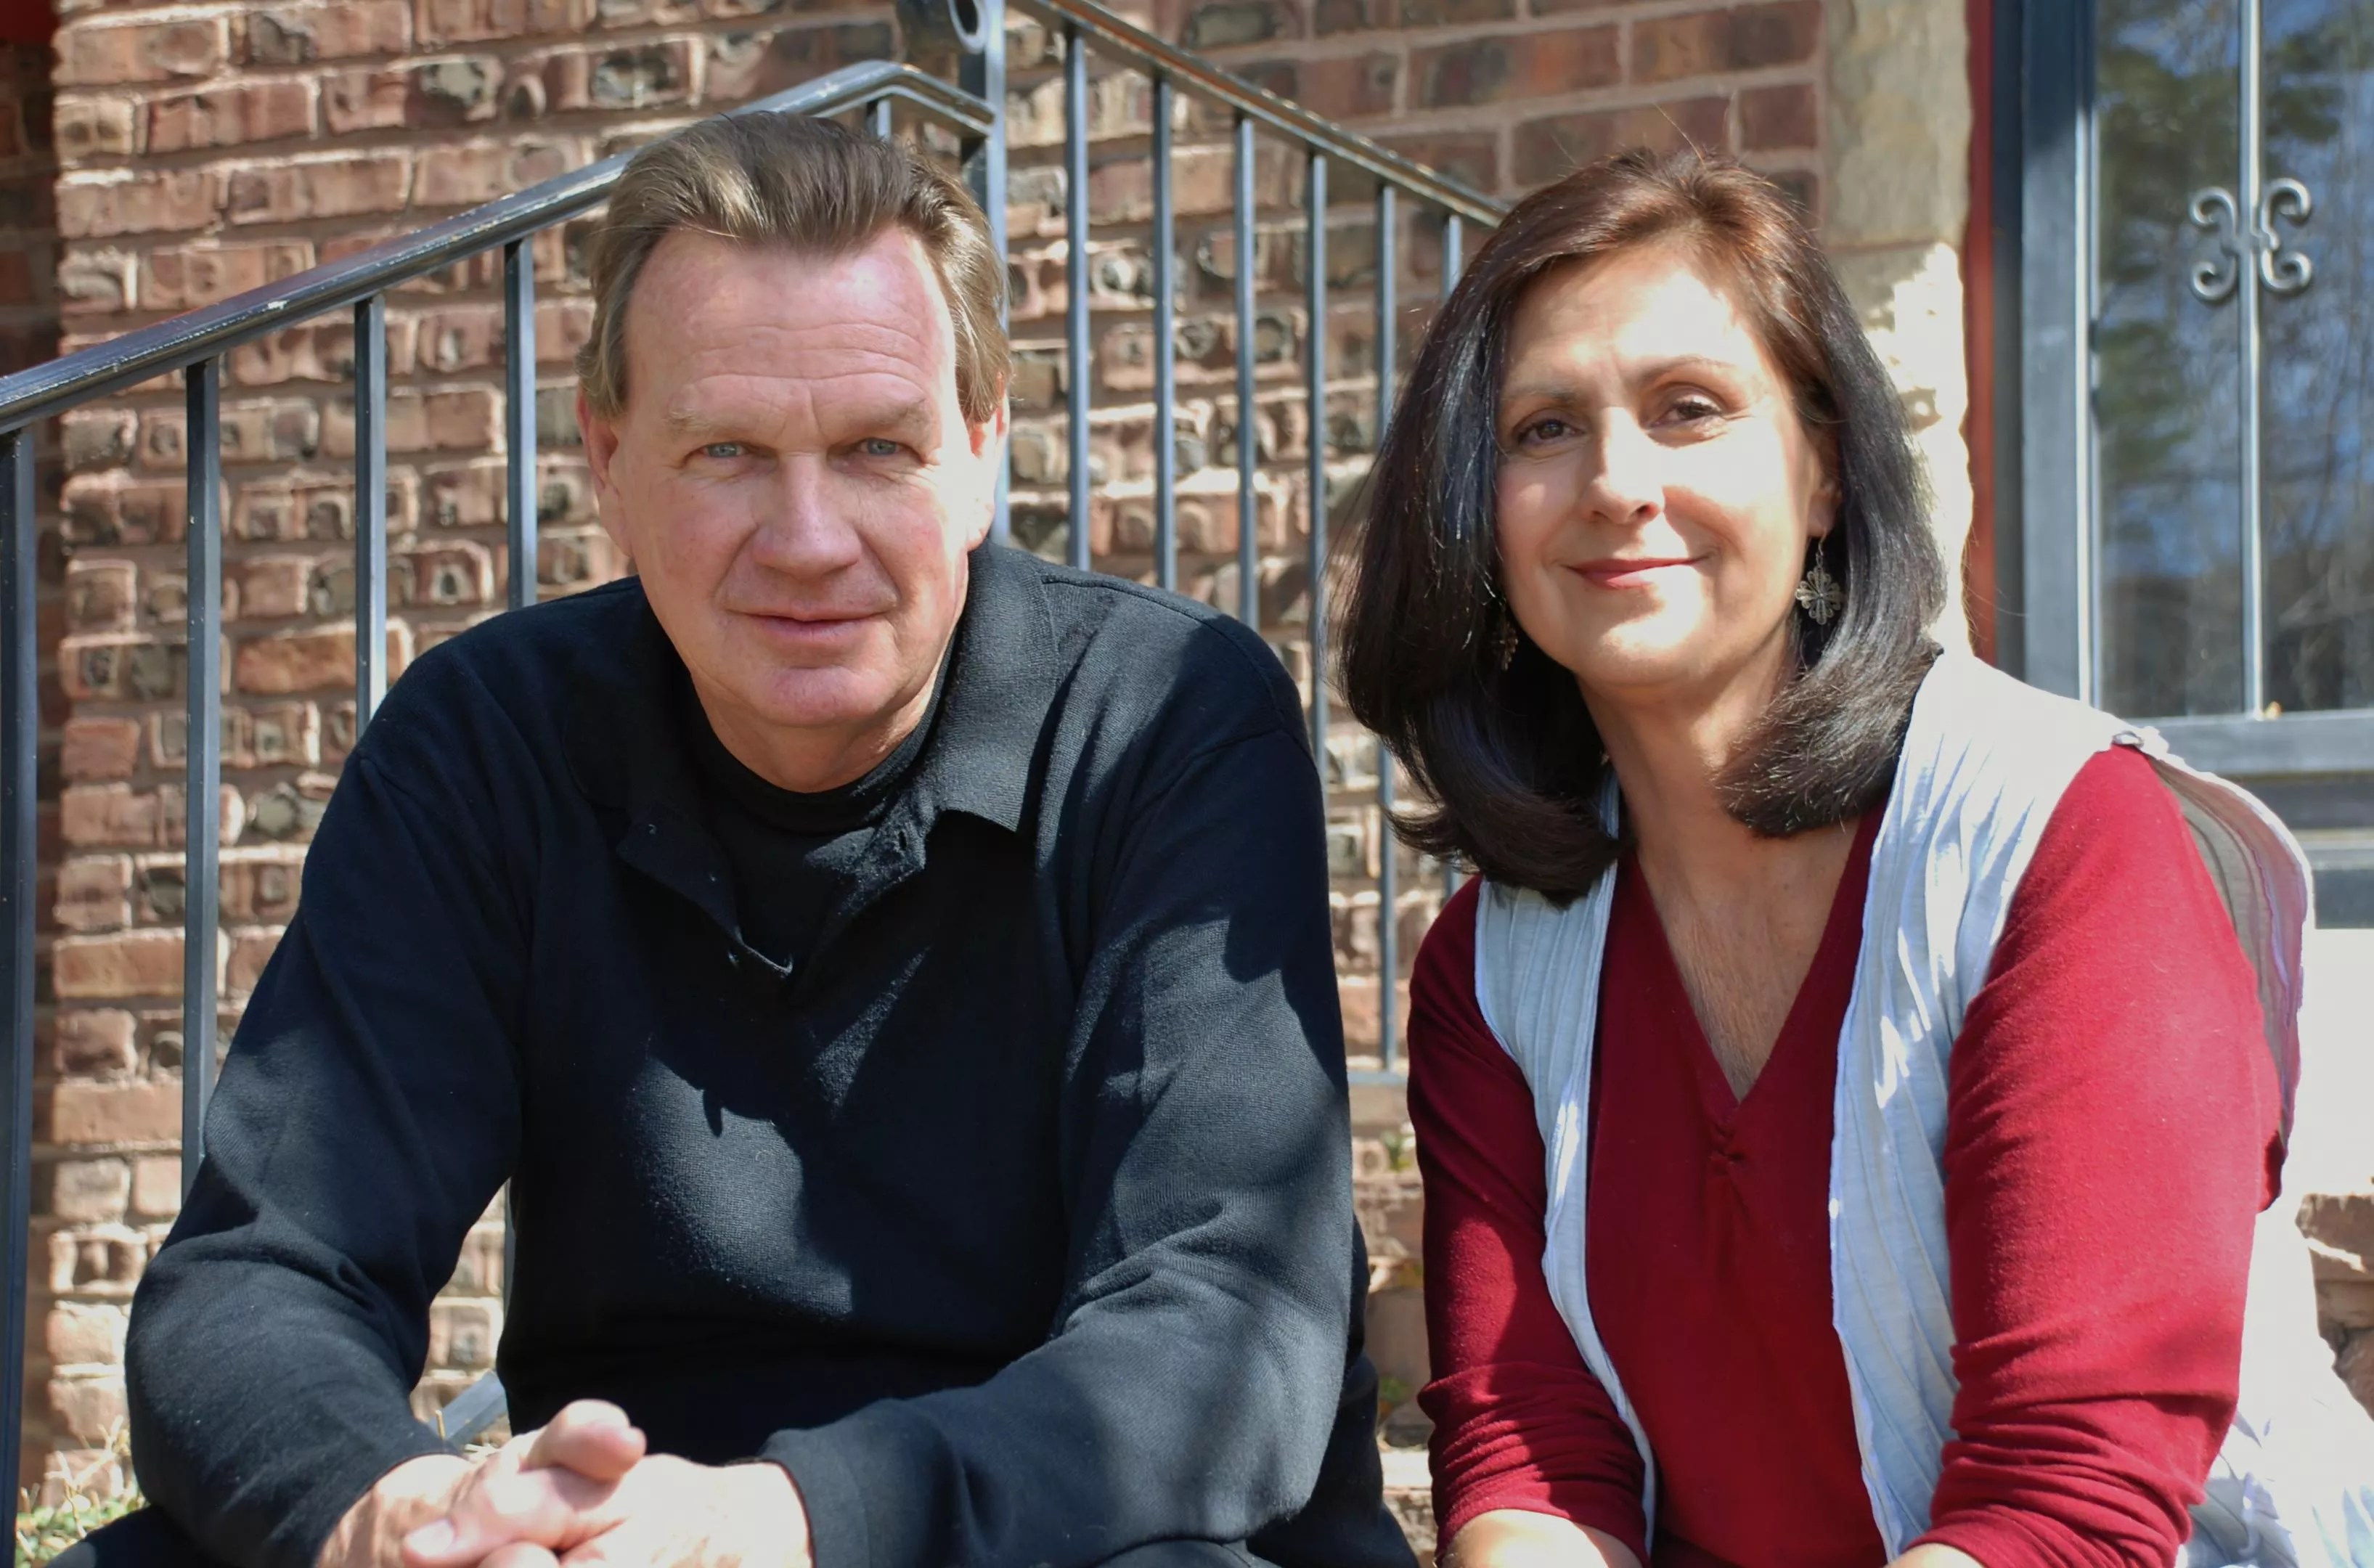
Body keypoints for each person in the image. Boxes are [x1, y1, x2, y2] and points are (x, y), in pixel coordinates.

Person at [72, 113, 1415, 1568]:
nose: (807, 537)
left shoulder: (1164, 721)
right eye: (726, 452)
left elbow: (1231, 1335)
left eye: (876, 449)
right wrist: (395, 1514)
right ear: (610, 459)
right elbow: (259, 1276)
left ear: (978, 454)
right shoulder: (489, 742)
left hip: (1073, 1535)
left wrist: (784, 1524)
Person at [1337, 148, 2374, 1568]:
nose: (1615, 481)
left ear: (1822, 472)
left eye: (1688, 410)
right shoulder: (1492, 964)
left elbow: (2066, 1507)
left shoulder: (2065, 844)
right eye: (1542, 430)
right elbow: (1531, 1454)